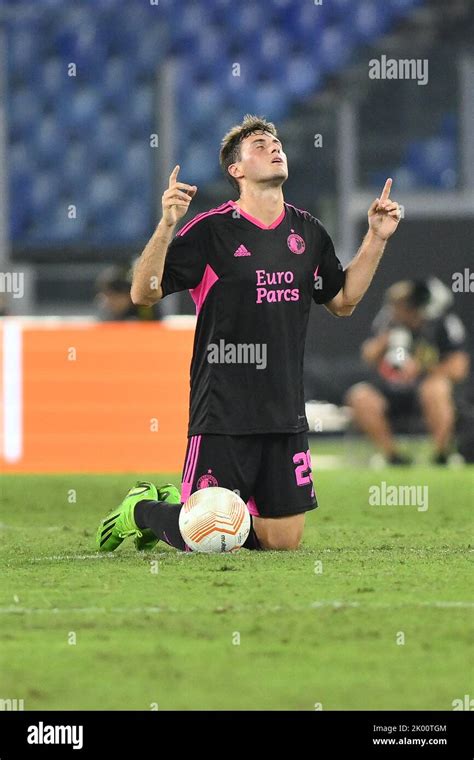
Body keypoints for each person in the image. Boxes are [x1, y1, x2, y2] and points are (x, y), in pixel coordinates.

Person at [96, 113, 402, 554]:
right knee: (210, 537)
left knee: (282, 543)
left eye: (276, 142)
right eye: (259, 144)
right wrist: (167, 225)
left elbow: (343, 301)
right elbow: (143, 292)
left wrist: (376, 237)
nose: (274, 147)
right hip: (222, 410)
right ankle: (141, 509)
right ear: (236, 170)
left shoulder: (307, 231)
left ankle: (176, 510)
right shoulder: (211, 231)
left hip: (284, 411)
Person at [345, 280, 469, 464]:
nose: (398, 311)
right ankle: (393, 456)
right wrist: (383, 343)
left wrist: (422, 368)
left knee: (437, 388)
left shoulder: (442, 324)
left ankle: (441, 455)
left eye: (403, 306)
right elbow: (367, 356)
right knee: (359, 396)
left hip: (425, 386)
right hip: (391, 389)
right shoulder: (387, 322)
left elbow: (459, 369)